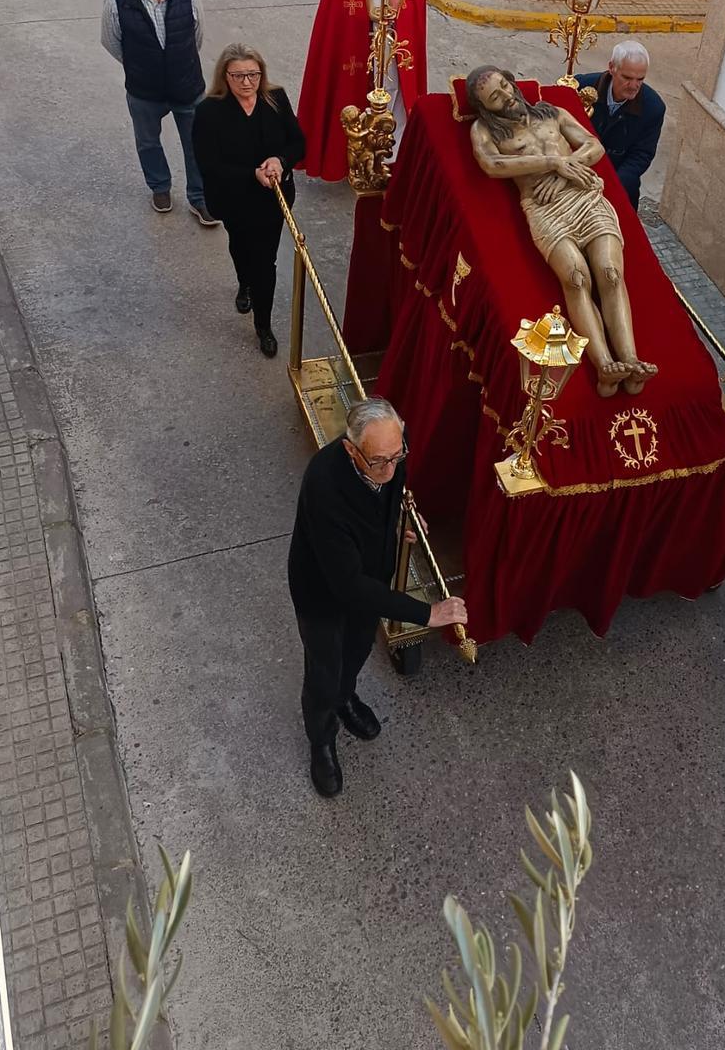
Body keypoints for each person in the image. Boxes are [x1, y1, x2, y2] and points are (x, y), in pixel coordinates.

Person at [287, 398, 469, 798]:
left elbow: (390, 494)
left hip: (368, 579)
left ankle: (344, 696)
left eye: (397, 455)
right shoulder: (324, 486)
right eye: (380, 462)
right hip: (324, 594)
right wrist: (427, 612)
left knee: (357, 649)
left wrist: (398, 524)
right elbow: (347, 584)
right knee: (323, 668)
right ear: (352, 450)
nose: (391, 468)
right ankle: (321, 738)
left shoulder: (389, 451)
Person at [466, 65, 656, 397]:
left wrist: (565, 170)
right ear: (486, 107)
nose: (507, 96)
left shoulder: (552, 112)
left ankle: (630, 358)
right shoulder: (486, 130)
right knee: (576, 277)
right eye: (495, 97)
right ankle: (604, 366)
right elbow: (493, 165)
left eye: (505, 86)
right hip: (544, 210)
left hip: (583, 194)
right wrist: (552, 163)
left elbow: (593, 146)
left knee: (610, 273)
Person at [296, 0, 429, 181]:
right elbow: (333, 20)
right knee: (353, 101)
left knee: (394, 95)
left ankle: (392, 160)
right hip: (355, 47)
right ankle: (350, 161)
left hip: (393, 42)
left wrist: (397, 19)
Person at [191, 44, 305, 359]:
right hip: (233, 198)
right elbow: (208, 163)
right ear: (225, 77)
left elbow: (298, 142)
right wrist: (250, 174)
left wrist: (280, 160)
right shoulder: (209, 111)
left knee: (265, 262)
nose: (246, 82)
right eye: (238, 75)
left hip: (273, 200)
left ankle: (263, 326)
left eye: (253, 74)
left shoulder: (276, 99)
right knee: (240, 246)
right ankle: (244, 283)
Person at [101, 0, 217, 224]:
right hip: (144, 91)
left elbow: (197, 34)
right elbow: (111, 41)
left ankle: (200, 199)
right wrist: (141, 67)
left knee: (197, 144)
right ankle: (160, 188)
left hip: (187, 86)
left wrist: (180, 63)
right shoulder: (117, 0)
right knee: (148, 142)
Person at [577, 38, 666, 212]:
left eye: (640, 79)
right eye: (627, 77)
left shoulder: (653, 108)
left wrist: (610, 188)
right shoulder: (581, 87)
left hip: (618, 189)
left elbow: (640, 156)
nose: (634, 86)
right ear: (612, 68)